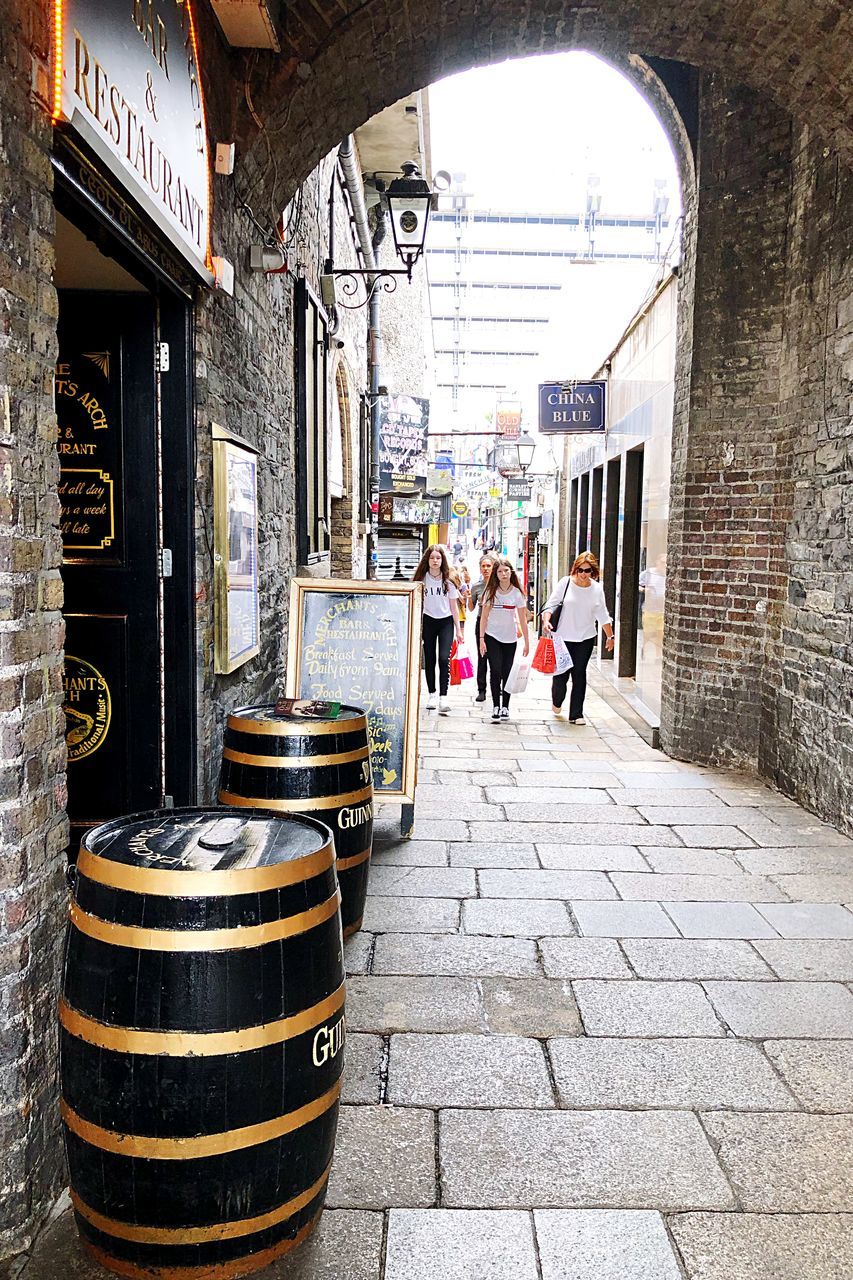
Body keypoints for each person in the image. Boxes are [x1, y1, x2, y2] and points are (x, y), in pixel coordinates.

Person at [542, 552, 614, 724]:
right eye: (580, 570)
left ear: (593, 572)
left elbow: (602, 614)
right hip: (562, 637)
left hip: (585, 637)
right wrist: (546, 621)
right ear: (575, 569)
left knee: (579, 674)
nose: (583, 574)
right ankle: (557, 700)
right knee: (561, 674)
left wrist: (610, 636)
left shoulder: (596, 589)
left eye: (587, 571)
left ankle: (576, 714)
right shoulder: (565, 583)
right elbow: (551, 604)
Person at [478, 557, 530, 721]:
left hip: (510, 638)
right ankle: (495, 706)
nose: (503, 574)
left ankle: (506, 706)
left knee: (507, 672)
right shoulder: (490, 592)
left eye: (506, 571)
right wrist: (481, 639)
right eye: (500, 571)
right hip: (492, 636)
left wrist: (527, 642)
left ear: (511, 572)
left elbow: (523, 619)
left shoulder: (517, 593)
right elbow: (483, 618)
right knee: (496, 670)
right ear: (496, 574)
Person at [412, 545, 463, 714]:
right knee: (430, 659)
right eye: (432, 558)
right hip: (428, 621)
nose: (435, 561)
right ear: (427, 559)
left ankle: (443, 696)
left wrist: (459, 629)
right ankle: (432, 694)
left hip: (445, 622)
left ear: (443, 560)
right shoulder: (421, 579)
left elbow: (454, 607)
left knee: (443, 658)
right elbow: (414, 602)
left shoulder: (448, 580)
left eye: (438, 558)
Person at [469, 554, 496, 702]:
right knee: (482, 656)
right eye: (483, 566)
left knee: (496, 658)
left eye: (488, 566)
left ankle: (497, 688)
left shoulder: (499, 585)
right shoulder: (476, 587)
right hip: (481, 623)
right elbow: (471, 608)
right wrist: (469, 598)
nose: (485, 569)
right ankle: (481, 689)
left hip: (497, 623)